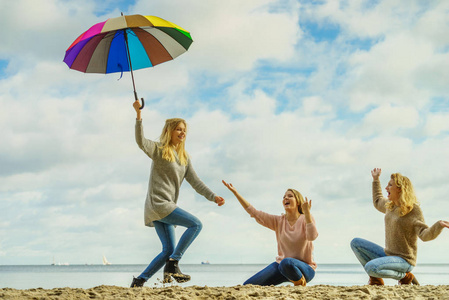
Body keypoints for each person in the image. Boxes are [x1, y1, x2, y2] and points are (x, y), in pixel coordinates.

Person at [130, 99, 225, 287]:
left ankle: (139, 281)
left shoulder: (184, 157)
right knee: (196, 224)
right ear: (169, 131)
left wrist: (213, 197)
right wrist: (139, 115)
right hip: (159, 204)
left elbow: (196, 182)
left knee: (167, 250)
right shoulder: (158, 149)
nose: (182, 133)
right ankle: (173, 264)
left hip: (164, 207)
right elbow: (140, 142)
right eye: (178, 129)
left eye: (184, 130)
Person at [351, 168, 449, 286]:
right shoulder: (390, 206)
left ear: (399, 188)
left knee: (371, 267)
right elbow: (377, 201)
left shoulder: (413, 210)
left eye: (390, 185)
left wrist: (438, 226)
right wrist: (376, 180)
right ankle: (376, 280)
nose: (386, 188)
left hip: (404, 260)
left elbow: (424, 235)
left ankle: (405, 276)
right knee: (355, 243)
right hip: (388, 255)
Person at [222, 180, 318, 286]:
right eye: (284, 197)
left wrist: (308, 214)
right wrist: (236, 193)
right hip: (281, 267)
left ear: (298, 201)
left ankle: (300, 282)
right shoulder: (278, 221)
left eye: (290, 196)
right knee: (248, 285)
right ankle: (297, 281)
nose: (286, 198)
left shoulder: (306, 218)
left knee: (287, 262)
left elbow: (312, 236)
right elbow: (254, 212)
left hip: (305, 269)